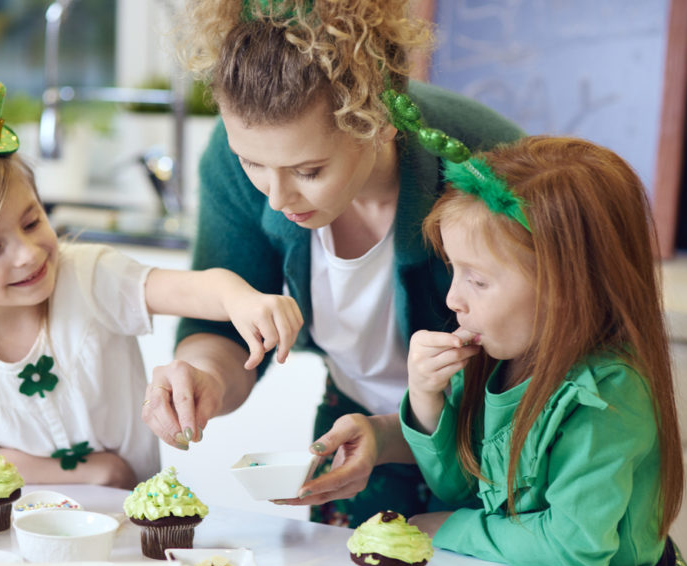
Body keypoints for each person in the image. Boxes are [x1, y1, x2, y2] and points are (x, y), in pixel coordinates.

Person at [141, 0, 523, 526]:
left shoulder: (482, 163)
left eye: (309, 170)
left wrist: (401, 433)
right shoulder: (233, 161)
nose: (275, 197)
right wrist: (203, 376)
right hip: (352, 422)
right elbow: (221, 326)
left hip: (493, 435)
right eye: (253, 163)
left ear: (379, 124)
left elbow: (542, 364)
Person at [0, 73, 302, 490]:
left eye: (31, 221)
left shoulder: (88, 276)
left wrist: (240, 298)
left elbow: (190, 288)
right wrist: (96, 474)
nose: (28, 253)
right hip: (20, 522)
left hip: (132, 519)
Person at [296, 135, 687, 566]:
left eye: (478, 281)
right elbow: (460, 485)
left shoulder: (608, 392)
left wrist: (448, 527)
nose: (452, 299)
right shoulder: (500, 358)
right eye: (455, 271)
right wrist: (427, 401)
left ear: (566, 289)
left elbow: (573, 547)